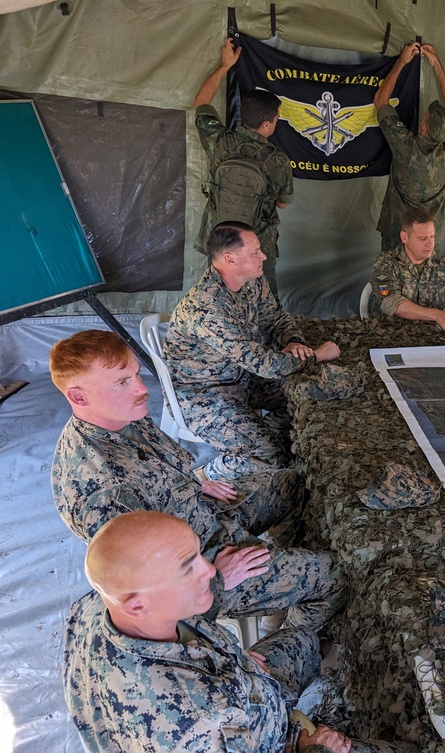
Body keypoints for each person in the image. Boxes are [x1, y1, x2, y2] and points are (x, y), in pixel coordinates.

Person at [50, 329, 341, 630]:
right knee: (333, 574)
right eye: (122, 381)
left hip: (203, 517)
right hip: (202, 574)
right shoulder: (104, 490)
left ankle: (281, 593)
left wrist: (191, 483)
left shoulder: (119, 414)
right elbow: (149, 602)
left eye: (136, 374)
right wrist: (219, 578)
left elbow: (155, 470)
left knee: (289, 484)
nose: (141, 387)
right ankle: (289, 647)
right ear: (78, 396)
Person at [63, 511, 352, 753]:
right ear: (137, 605)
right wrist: (316, 748)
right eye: (187, 569)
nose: (210, 571)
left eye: (198, 554)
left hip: (249, 694)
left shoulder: (96, 607)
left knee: (303, 640)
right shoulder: (198, 724)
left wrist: (232, 660)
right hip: (270, 740)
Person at [166, 221, 346, 480]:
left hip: (242, 378)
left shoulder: (251, 281)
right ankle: (203, 477)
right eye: (255, 252)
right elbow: (265, 364)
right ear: (230, 259)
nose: (263, 256)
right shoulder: (207, 308)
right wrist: (316, 355)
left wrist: (294, 340)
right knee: (270, 456)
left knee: (307, 397)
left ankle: (263, 436)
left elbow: (277, 319)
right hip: (205, 394)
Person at [194, 37, 293, 294]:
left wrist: (225, 65)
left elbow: (201, 102)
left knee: (218, 295)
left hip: (220, 238)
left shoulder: (219, 140)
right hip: (258, 243)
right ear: (267, 124)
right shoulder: (278, 160)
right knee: (263, 300)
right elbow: (282, 202)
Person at [374, 41, 445, 253]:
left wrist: (401, 62)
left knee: (393, 283)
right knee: (429, 284)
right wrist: (437, 64)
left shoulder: (405, 147)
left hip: (400, 235)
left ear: (423, 125)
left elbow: (381, 101)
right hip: (430, 241)